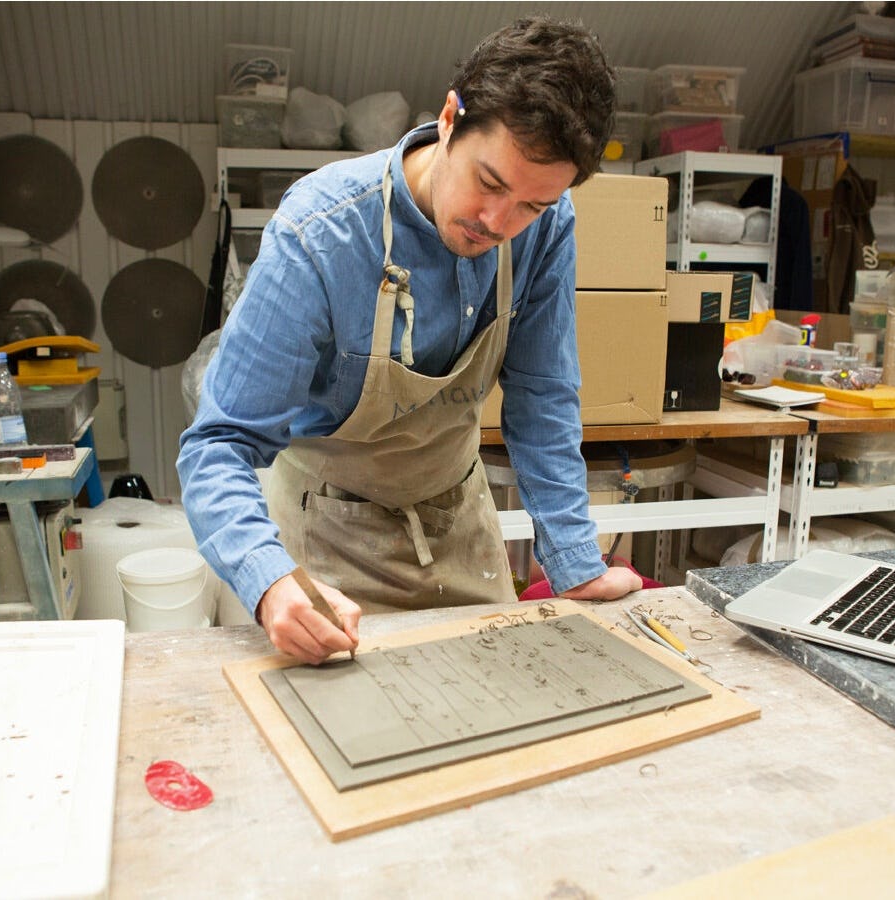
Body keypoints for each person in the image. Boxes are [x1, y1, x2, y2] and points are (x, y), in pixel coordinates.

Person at [178, 15, 643, 665]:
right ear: (451, 118)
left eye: (532, 206)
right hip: (325, 550)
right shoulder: (322, 232)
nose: (499, 222)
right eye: (490, 183)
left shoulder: (546, 223)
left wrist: (573, 560)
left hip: (460, 528)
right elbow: (217, 445)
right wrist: (269, 582)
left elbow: (541, 395)